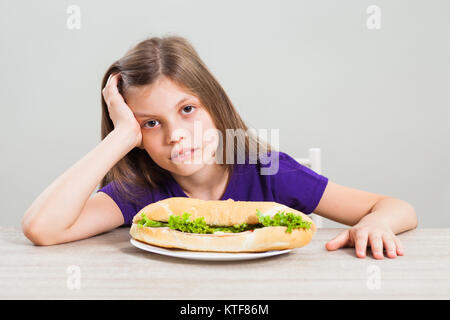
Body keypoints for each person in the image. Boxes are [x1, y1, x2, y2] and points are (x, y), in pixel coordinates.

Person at [21, 35, 418, 259]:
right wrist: (120, 137)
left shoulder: (266, 170)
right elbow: (42, 228)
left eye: (188, 109)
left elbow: (397, 208)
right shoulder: (140, 192)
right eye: (151, 123)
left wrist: (377, 223)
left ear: (216, 106)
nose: (175, 134)